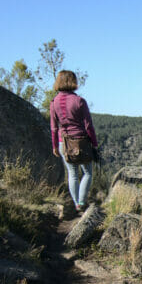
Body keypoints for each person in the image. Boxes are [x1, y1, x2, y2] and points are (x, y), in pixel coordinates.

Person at [49, 70, 99, 214]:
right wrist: (94, 143)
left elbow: (53, 127)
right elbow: (88, 125)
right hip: (81, 141)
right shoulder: (79, 101)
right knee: (88, 172)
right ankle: (82, 202)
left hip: (63, 142)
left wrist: (54, 146)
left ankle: (77, 203)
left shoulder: (54, 103)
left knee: (72, 174)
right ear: (73, 81)